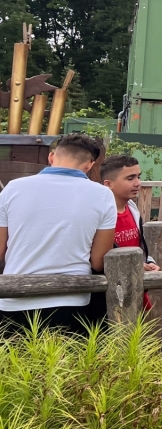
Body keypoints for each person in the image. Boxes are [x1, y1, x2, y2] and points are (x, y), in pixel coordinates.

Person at [0, 134, 115, 335]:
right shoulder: (102, 195)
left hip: (15, 296)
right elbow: (98, 261)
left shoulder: (13, 188)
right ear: (90, 164)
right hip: (71, 298)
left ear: (51, 157)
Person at [100, 154, 160, 313]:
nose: (137, 183)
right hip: (110, 295)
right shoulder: (100, 215)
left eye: (138, 177)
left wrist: (149, 262)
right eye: (130, 178)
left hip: (135, 288)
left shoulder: (132, 209)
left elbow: (138, 244)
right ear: (108, 184)